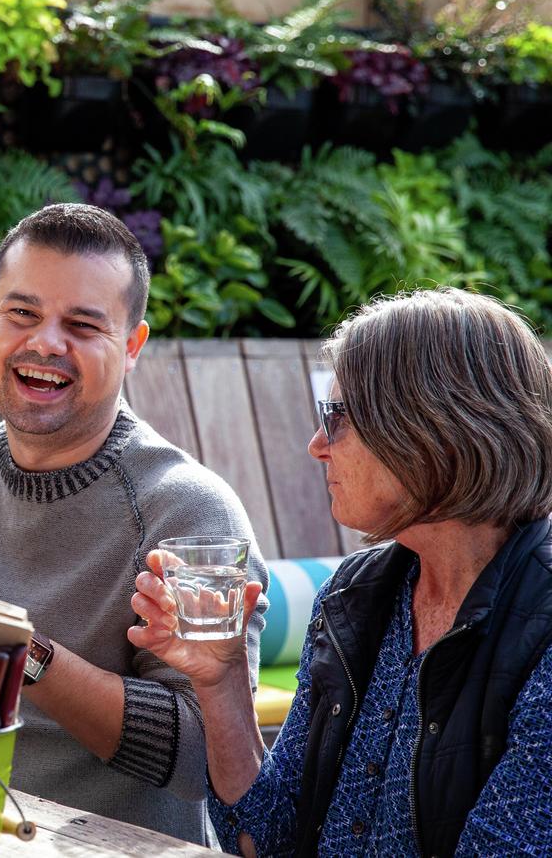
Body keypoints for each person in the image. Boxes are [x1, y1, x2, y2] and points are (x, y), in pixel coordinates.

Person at [0, 203, 269, 845]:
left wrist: (13, 649)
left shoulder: (188, 511)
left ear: (132, 346)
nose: (45, 343)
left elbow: (204, 761)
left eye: (84, 325)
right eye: (23, 313)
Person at [130, 288, 552, 856]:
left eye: (338, 417)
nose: (316, 446)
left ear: (432, 426)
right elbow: (269, 841)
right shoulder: (356, 596)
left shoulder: (542, 627)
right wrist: (221, 680)